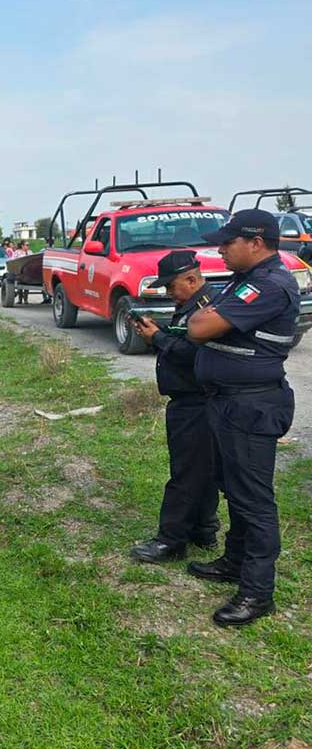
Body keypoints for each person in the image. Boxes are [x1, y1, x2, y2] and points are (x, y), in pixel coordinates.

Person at [187, 209, 299, 627]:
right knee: (232, 487)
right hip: (228, 403)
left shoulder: (269, 285)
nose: (220, 248)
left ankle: (257, 591)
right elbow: (200, 318)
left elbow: (198, 327)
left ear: (256, 242)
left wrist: (206, 320)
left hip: (252, 406)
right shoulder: (242, 280)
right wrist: (206, 319)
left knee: (253, 499)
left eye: (228, 242)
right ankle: (234, 561)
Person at [128, 251, 220, 564]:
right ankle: (203, 528)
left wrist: (159, 340)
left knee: (185, 473)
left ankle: (171, 540)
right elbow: (184, 341)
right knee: (202, 469)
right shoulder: (190, 307)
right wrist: (160, 332)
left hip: (196, 402)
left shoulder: (208, 309)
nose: (168, 291)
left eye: (172, 285)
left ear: (192, 279)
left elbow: (198, 355)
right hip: (191, 401)